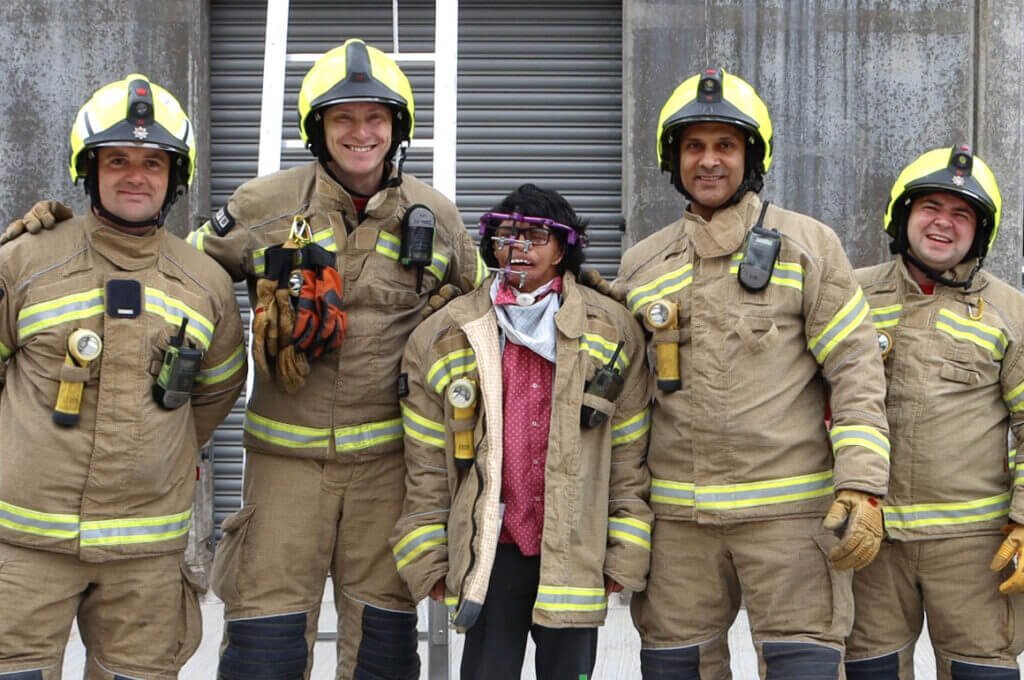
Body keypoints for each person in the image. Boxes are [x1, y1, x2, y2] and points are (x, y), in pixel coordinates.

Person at [615, 67, 891, 678]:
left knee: (804, 664)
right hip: (679, 527)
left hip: (790, 522)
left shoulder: (808, 246)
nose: (709, 160)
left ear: (752, 157)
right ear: (673, 159)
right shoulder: (643, 265)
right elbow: (625, 402)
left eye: (725, 145)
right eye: (694, 146)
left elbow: (856, 369)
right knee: (675, 665)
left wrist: (861, 486)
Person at [0, 74, 245, 679]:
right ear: (89, 169)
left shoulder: (206, 283)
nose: (136, 176)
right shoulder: (24, 261)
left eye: (152, 162)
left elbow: (217, 390)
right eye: (117, 160)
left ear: (175, 176)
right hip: (26, 547)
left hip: (145, 555)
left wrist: (164, 450)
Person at [392, 183, 653, 679]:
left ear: (564, 248)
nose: (518, 248)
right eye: (506, 236)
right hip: (491, 549)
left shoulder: (611, 329)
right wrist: (428, 555)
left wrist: (624, 550)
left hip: (575, 546)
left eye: (534, 237)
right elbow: (424, 462)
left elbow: (629, 454)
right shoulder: (446, 333)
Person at [844, 145, 1024, 680]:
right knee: (869, 669)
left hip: (974, 550)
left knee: (981, 669)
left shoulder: (1010, 312)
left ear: (979, 233)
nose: (943, 223)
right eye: (931, 207)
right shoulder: (851, 296)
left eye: (961, 213)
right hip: (871, 541)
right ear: (902, 216)